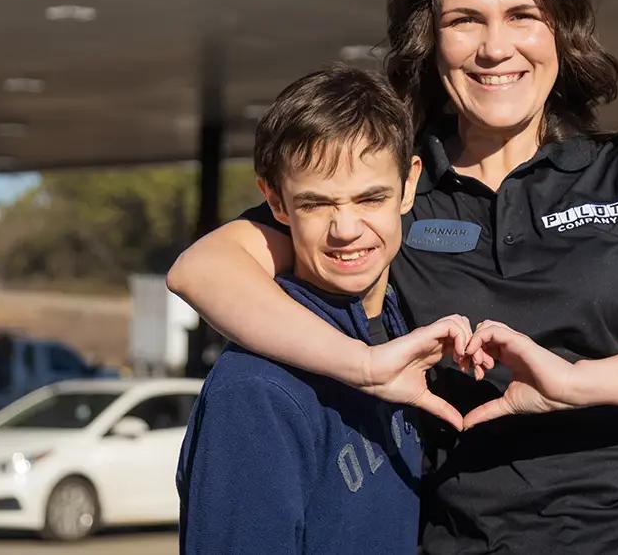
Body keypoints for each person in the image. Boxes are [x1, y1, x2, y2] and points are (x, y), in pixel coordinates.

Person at [169, 0, 618, 554]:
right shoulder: (394, 188)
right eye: (466, 20)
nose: (496, 47)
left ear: (561, 29)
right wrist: (364, 366)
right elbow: (204, 271)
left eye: (523, 16)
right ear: (430, 37)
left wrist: (577, 383)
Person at [175, 66, 472, 554]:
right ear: (275, 201)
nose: (346, 228)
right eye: (317, 204)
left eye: (371, 197)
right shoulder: (255, 392)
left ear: (409, 184)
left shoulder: (399, 324)